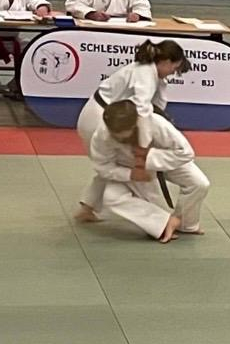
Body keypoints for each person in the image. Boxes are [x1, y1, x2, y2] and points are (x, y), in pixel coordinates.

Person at [74, 39, 190, 222]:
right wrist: (142, 149)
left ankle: (87, 207)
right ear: (166, 61)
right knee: (130, 168)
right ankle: (160, 219)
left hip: (103, 115)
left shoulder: (151, 73)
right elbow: (142, 110)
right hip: (102, 118)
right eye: (174, 68)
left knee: (111, 164)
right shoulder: (145, 74)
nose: (173, 73)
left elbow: (154, 107)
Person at [88, 100, 210, 243]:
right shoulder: (102, 135)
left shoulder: (156, 123)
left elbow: (186, 152)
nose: (118, 137)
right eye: (114, 134)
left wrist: (149, 157)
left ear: (135, 123)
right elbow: (102, 167)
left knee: (199, 183)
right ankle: (164, 222)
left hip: (165, 159)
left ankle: (185, 224)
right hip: (129, 168)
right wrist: (130, 174)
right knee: (111, 197)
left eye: (121, 134)